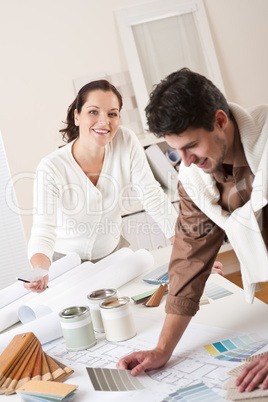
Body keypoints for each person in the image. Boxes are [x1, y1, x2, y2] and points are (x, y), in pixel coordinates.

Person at [117, 68, 268, 393]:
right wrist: (162, 350)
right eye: (176, 151)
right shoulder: (195, 178)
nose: (185, 162)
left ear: (220, 121)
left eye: (191, 146)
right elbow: (188, 260)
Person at [25, 79, 178, 293]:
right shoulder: (51, 167)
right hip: (64, 263)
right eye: (93, 112)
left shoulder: (126, 141)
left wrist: (188, 252)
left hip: (114, 255)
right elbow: (43, 231)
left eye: (112, 113)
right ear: (77, 116)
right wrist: (40, 272)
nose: (104, 121)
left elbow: (152, 196)